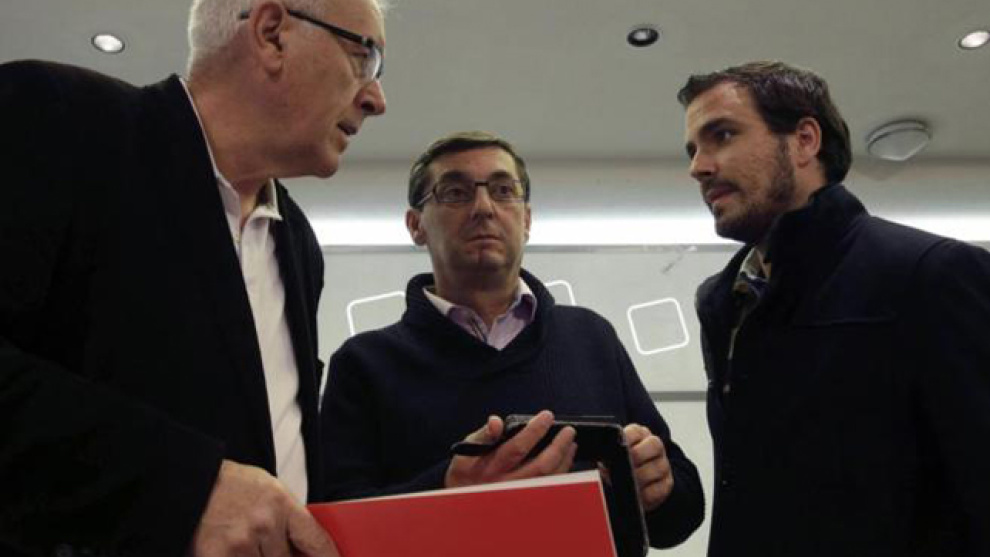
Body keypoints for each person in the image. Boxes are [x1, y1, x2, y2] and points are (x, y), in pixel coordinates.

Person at [0, 0, 386, 554]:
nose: (376, 98)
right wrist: (185, 488)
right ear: (272, 33)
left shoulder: (299, 242)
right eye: (364, 56)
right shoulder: (51, 116)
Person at [319, 131, 705, 549]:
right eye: (455, 192)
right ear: (416, 226)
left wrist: (659, 487)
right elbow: (333, 531)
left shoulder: (591, 337)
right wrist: (448, 490)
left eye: (503, 191)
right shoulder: (365, 363)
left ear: (527, 220)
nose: (484, 207)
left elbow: (681, 511)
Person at [679, 60, 990, 557]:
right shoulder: (724, 304)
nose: (699, 166)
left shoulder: (932, 273)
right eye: (693, 149)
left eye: (723, 135)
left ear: (804, 140)